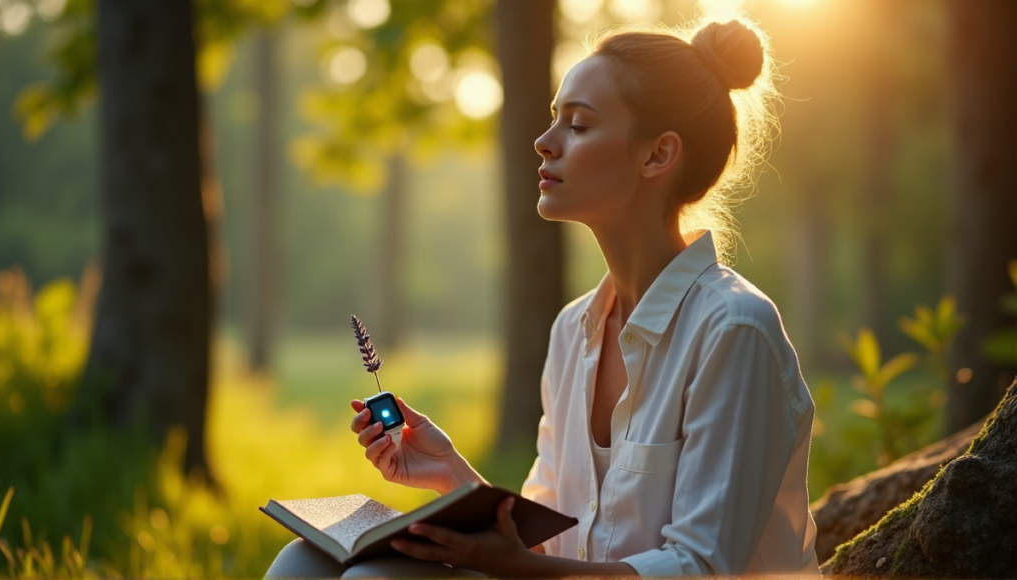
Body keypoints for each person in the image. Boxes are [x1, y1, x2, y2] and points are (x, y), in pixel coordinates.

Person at [265, 15, 820, 579]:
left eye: (577, 125)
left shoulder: (734, 329)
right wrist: (449, 472)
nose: (544, 142)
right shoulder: (574, 329)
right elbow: (550, 543)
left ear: (657, 155)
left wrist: (519, 569)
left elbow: (701, 567)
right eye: (555, 118)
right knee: (302, 561)